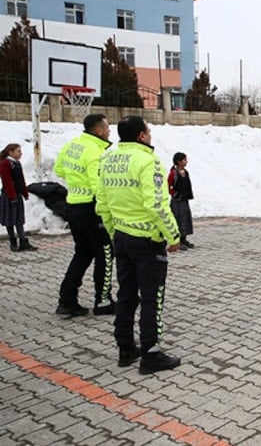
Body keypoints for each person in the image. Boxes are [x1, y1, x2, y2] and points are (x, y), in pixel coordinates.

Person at [95, 116, 182, 374]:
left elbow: (102, 202)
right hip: (146, 241)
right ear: (141, 136)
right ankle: (151, 354)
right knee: (152, 297)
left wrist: (114, 232)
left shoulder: (107, 159)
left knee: (126, 294)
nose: (150, 133)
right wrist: (173, 235)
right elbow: (156, 204)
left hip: (121, 237)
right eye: (148, 130)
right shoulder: (148, 161)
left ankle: (125, 348)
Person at [54, 114, 115, 318]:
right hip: (92, 209)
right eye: (107, 127)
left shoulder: (73, 145)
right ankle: (103, 300)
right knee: (105, 253)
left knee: (82, 253)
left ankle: (67, 300)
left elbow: (59, 169)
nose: (109, 131)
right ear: (98, 130)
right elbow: (98, 186)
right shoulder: (96, 152)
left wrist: (76, 183)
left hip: (73, 206)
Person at [0, 143, 36, 252]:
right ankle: (13, 241)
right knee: (10, 219)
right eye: (18, 151)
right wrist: (12, 196)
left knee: (19, 219)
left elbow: (21, 179)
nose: (21, 153)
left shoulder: (16, 163)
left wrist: (24, 192)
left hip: (17, 194)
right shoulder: (5, 164)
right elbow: (7, 182)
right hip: (9, 195)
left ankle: (23, 240)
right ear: (10, 152)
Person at [168, 152, 195, 250]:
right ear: (178, 162)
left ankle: (184, 239)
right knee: (177, 219)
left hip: (184, 201)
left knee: (185, 219)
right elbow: (169, 186)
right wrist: (176, 195)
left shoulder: (185, 172)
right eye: (184, 160)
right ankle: (177, 241)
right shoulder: (173, 174)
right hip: (177, 202)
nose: (186, 162)